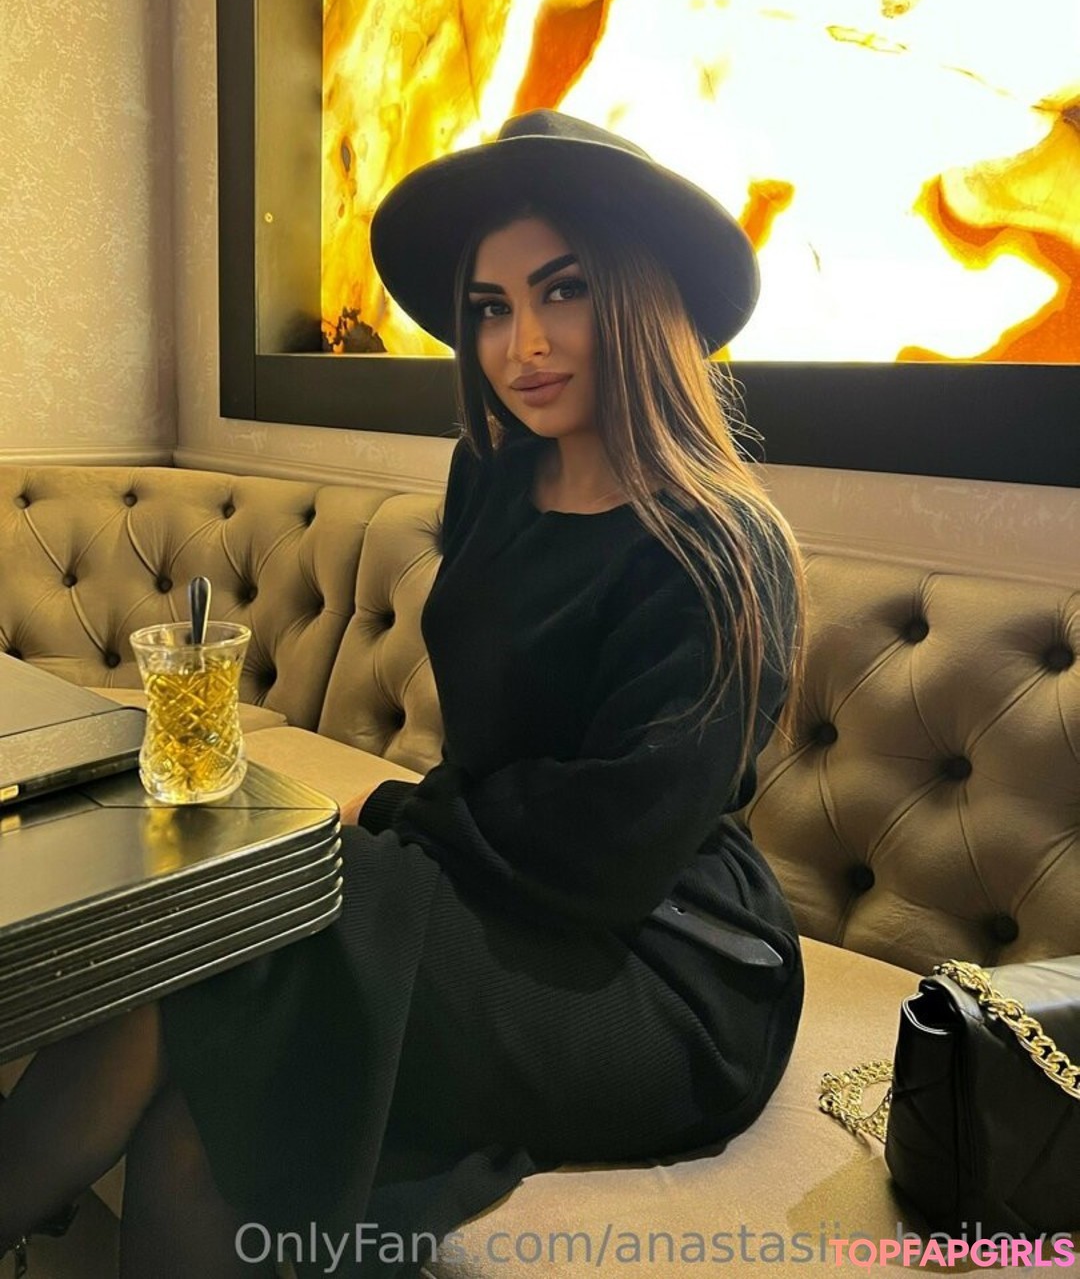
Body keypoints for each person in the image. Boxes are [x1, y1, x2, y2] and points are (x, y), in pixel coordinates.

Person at [0, 111, 806, 1278]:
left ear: (638, 299)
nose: (523, 341)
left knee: (220, 937)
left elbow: (612, 846)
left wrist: (383, 820)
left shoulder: (721, 544)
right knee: (201, 1116)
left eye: (563, 291)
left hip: (661, 961)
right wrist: (397, 836)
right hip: (495, 893)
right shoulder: (494, 476)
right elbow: (490, 757)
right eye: (491, 307)